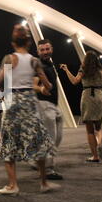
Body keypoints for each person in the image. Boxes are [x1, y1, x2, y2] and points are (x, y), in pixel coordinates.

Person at [0, 24, 59, 195]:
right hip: (31, 101)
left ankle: (13, 185)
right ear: (29, 42)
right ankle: (44, 183)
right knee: (37, 140)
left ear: (13, 43)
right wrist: (45, 86)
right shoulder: (34, 60)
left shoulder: (10, 59)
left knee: (9, 142)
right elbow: (48, 85)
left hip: (15, 100)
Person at [61, 51, 102, 163]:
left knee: (90, 130)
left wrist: (66, 70)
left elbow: (74, 81)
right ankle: (100, 143)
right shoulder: (101, 72)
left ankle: (95, 156)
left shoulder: (83, 70)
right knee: (98, 127)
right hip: (99, 96)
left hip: (88, 96)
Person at [30, 39, 64, 180]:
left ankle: (35, 159)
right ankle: (48, 170)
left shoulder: (50, 63)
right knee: (49, 138)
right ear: (38, 52)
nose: (45, 52)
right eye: (42, 50)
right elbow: (33, 85)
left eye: (47, 49)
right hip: (43, 104)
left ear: (51, 49)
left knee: (57, 136)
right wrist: (41, 88)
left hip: (52, 104)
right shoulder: (38, 65)